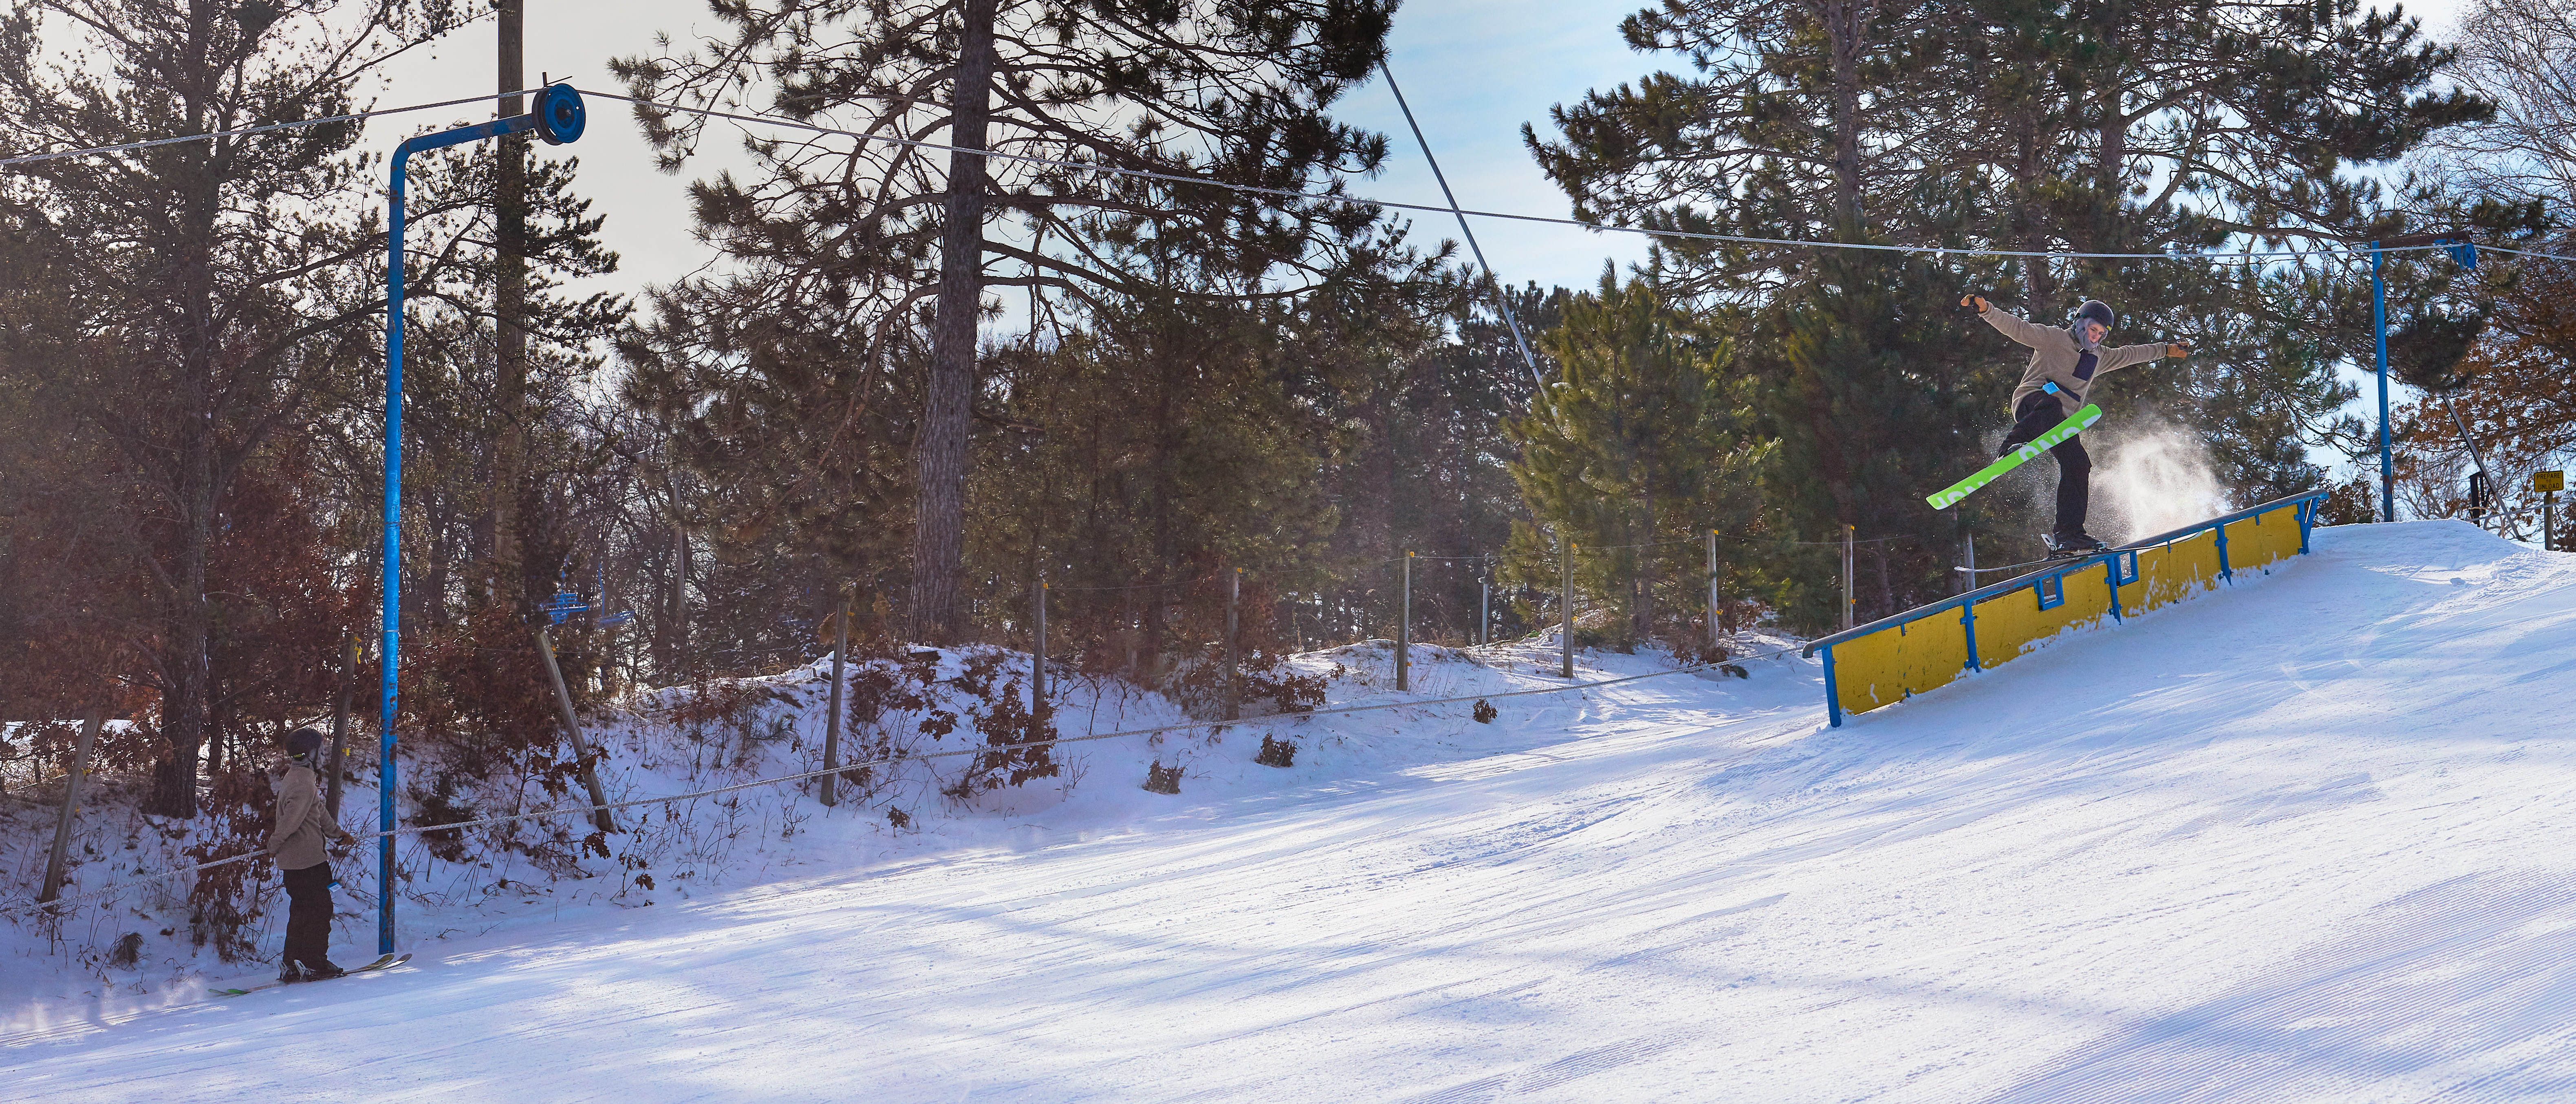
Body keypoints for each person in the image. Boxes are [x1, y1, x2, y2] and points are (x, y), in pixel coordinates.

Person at [1959, 295, 2192, 552]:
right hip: (2031, 405)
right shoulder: (2054, 339)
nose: (2096, 338)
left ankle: (2069, 534)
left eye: (2101, 334)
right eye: (2093, 330)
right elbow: (2017, 328)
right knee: (2052, 403)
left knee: (2079, 464)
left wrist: (2166, 350)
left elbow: (2131, 354)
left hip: (2060, 425)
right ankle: (2014, 443)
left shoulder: (2100, 357)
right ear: (2081, 324)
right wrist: (1986, 309)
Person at [269, 727, 356, 983]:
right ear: (311, 755)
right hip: (307, 862)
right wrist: (274, 844)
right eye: (322, 751)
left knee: (302, 910)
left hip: (302, 862)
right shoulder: (303, 784)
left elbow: (318, 812)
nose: (324, 755)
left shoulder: (299, 778)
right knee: (319, 910)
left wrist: (338, 835)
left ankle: (292, 963)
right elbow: (291, 821)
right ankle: (313, 962)